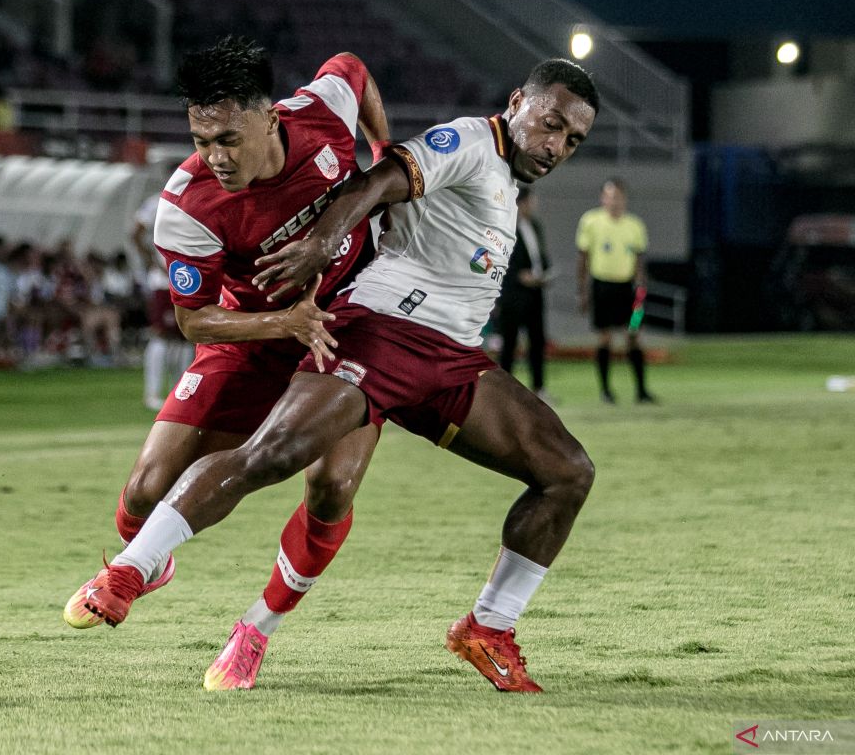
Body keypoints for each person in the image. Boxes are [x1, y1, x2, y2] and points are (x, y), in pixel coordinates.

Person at [70, 59, 599, 694]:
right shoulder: (467, 141)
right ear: (518, 103)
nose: (555, 146)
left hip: (449, 356)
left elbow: (352, 74)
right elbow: (373, 185)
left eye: (571, 140)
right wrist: (324, 240)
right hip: (371, 331)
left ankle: (483, 628)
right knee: (262, 457)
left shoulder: (470, 163)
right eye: (549, 126)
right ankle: (132, 569)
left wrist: (371, 155)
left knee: (564, 472)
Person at [63, 36, 394, 691]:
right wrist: (282, 322)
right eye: (202, 139)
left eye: (227, 139)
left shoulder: (322, 116)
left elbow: (353, 69)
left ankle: (255, 630)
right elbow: (193, 320)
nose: (214, 157)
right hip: (246, 335)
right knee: (142, 493)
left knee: (333, 488)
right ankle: (149, 563)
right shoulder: (187, 205)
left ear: (269, 117)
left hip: (350, 327)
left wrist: (384, 157)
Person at [575, 177, 655, 404]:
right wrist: (582, 291)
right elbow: (583, 257)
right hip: (601, 286)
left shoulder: (635, 225)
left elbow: (640, 260)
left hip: (628, 289)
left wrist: (641, 288)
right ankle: (606, 391)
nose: (614, 202)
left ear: (625, 199)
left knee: (634, 335)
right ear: (603, 198)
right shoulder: (590, 221)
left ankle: (641, 391)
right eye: (610, 197)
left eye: (618, 197)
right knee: (604, 337)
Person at [131, 191, 194, 410]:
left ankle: (179, 391)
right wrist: (152, 263)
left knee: (185, 335)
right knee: (161, 333)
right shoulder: (157, 201)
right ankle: (153, 393)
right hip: (163, 281)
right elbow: (136, 233)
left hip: (188, 279)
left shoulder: (195, 198)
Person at [496, 187, 553, 402]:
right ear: (519, 204)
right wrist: (519, 276)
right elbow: (501, 261)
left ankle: (539, 388)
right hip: (513, 296)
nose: (533, 206)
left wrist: (543, 272)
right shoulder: (505, 227)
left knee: (537, 341)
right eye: (530, 202)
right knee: (509, 343)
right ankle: (503, 390)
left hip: (535, 294)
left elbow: (540, 256)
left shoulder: (535, 227)